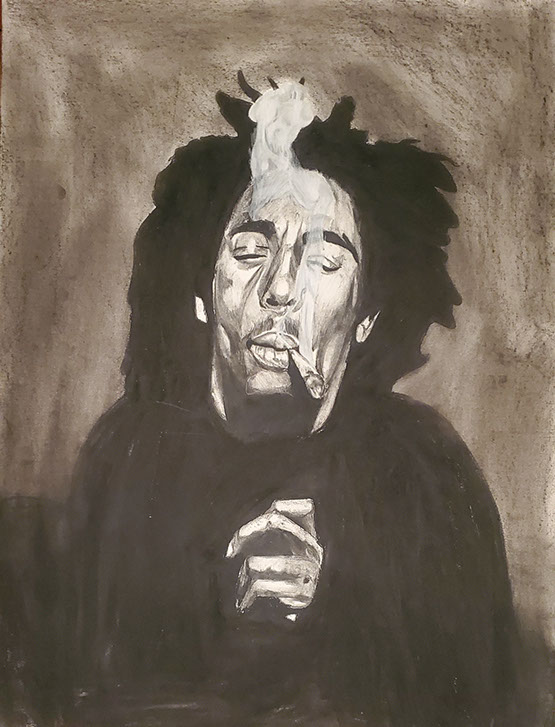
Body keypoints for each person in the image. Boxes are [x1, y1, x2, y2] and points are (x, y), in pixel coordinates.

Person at [3, 76, 524, 726]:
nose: (281, 289)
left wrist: (336, 597)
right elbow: (76, 692)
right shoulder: (128, 453)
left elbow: (476, 699)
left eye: (325, 263)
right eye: (250, 251)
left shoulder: (425, 471)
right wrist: (211, 601)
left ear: (364, 315)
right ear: (203, 292)